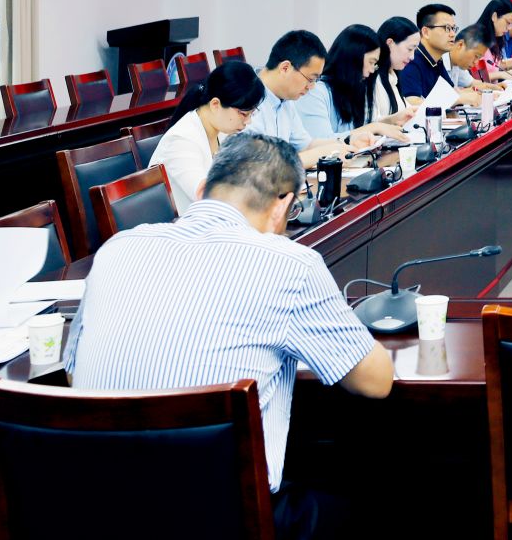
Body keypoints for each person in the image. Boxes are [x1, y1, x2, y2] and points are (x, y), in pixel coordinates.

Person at [68, 135, 394, 539]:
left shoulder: (117, 249)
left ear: (202, 190)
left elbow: (73, 373)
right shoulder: (290, 265)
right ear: (282, 206)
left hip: (95, 507)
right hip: (222, 516)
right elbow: (375, 382)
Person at [247, 30, 384, 164]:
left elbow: (306, 145)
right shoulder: (246, 99)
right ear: (285, 68)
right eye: (310, 79)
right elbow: (264, 164)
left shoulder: (286, 100)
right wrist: (329, 151)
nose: (311, 87)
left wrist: (349, 141)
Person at [150, 59, 265, 210]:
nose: (248, 121)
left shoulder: (221, 130)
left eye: (252, 113)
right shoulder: (181, 140)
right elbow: (206, 196)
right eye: (244, 114)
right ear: (215, 104)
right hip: (186, 222)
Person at [295, 24, 414, 147]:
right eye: (371, 62)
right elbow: (322, 142)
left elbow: (361, 127)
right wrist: (375, 127)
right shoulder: (315, 92)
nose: (372, 70)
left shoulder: (352, 89)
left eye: (375, 64)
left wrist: (391, 120)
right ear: (353, 58)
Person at [398, 4, 480, 104]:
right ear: (426, 32)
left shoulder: (437, 61)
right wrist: (458, 99)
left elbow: (452, 92)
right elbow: (413, 102)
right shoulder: (412, 61)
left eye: (453, 29)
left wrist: (482, 94)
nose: (453, 34)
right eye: (447, 28)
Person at [370, 15, 425, 117]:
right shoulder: (372, 79)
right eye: (410, 49)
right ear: (390, 43)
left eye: (415, 50)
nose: (412, 57)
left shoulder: (393, 77)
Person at [471, 0, 512, 64]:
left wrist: (511, 63)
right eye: (508, 22)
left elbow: (496, 65)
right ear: (494, 16)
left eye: (511, 24)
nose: (508, 28)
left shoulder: (497, 37)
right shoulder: (476, 39)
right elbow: (480, 70)